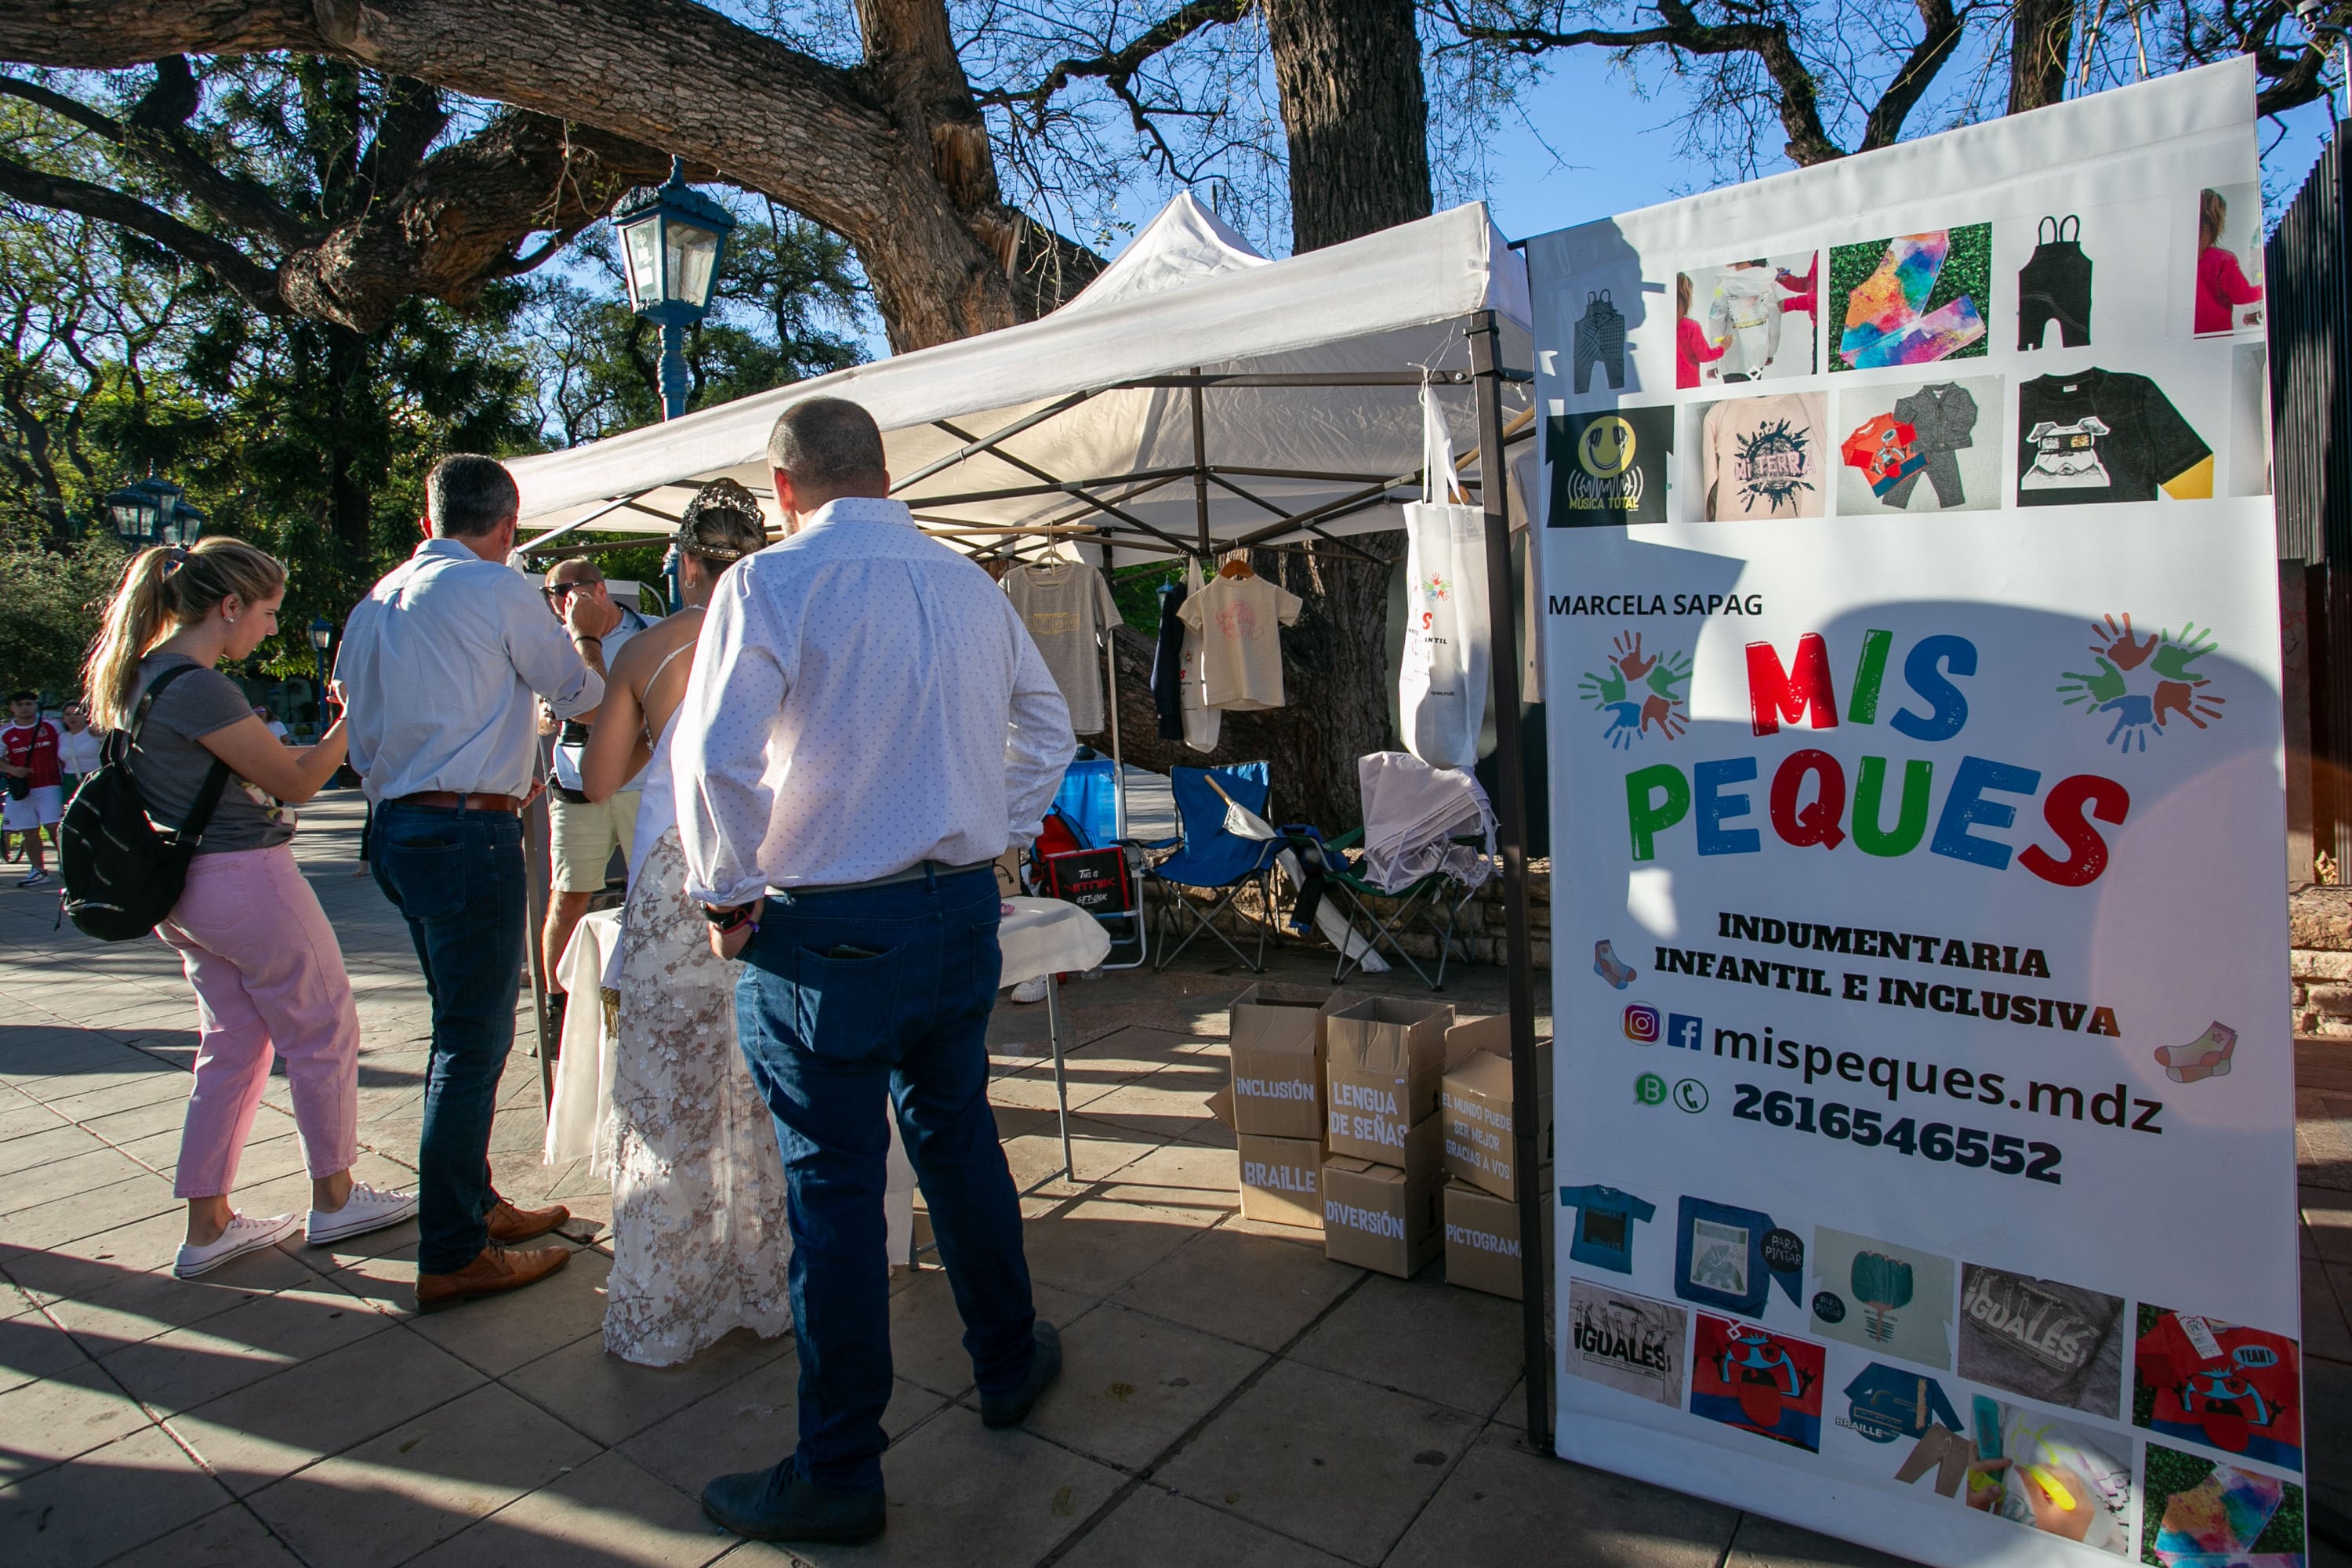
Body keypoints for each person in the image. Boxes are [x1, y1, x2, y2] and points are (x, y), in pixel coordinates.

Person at [678, 397, 1076, 1546]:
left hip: (833, 923)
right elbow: (1045, 730)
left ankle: (840, 1464)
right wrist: (983, 832)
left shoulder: (770, 581)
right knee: (958, 1137)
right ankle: (1006, 1359)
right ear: (884, 473)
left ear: (783, 486)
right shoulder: (966, 583)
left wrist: (727, 894)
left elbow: (719, 758)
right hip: (953, 910)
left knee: (839, 1192)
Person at [81, 539, 417, 1278]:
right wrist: (348, 725)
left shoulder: (141, 677)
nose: (269, 630)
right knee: (324, 1027)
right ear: (227, 606)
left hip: (188, 890)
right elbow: (295, 782)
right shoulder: (199, 687)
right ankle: (336, 1195)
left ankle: (209, 1226)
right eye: (266, 613)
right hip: (245, 879)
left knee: (230, 1047)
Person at [336, 454, 602, 1312]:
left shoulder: (377, 599)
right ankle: (452, 1246)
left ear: (428, 520)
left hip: (402, 824)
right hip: (462, 828)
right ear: (506, 528)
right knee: (472, 1040)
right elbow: (581, 694)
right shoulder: (497, 589)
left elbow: (354, 705)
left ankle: (473, 1203)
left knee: (458, 1026)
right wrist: (588, 628)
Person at [578, 479, 789, 1367]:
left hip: (675, 872)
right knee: (760, 1085)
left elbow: (597, 782)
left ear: (688, 561)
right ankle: (764, 1285)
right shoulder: (784, 637)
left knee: (671, 1092)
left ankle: (669, 1304)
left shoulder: (649, 651)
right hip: (772, 868)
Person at [539, 556, 650, 1023]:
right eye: (553, 595)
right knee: (569, 897)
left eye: (572, 591)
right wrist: (543, 716)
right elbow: (542, 710)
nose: (563, 603)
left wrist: (586, 642)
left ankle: (650, 1001)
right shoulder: (548, 642)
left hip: (642, 782)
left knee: (652, 892)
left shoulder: (650, 631)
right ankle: (556, 1009)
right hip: (575, 784)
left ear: (601, 590)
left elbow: (602, 707)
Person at [2, 690, 64, 886]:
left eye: (29, 704)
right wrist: (12, 768)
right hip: (22, 789)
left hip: (50, 784)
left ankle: (68, 864)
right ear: (12, 708)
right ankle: (38, 869)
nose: (24, 708)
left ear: (36, 705)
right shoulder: (5, 732)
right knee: (29, 830)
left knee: (54, 826)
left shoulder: (53, 726)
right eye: (19, 705)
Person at [2195, 188, 2262, 336]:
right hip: (2216, 335)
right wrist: (2264, 288)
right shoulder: (2223, 259)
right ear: (2216, 221)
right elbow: (2242, 296)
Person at [56, 700, 102, 797]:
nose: (72, 717)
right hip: (70, 781)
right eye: (68, 714)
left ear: (86, 715)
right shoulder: (62, 737)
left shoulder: (97, 733)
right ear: (63, 718)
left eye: (77, 713)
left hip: (96, 777)